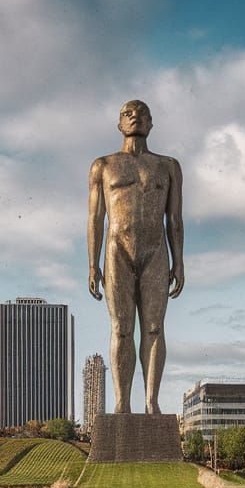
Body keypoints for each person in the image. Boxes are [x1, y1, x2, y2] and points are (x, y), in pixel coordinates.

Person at [88, 100, 184, 414]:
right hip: (117, 250)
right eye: (128, 114)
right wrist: (92, 263)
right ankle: (121, 403)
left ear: (151, 123)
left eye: (141, 113)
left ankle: (151, 401)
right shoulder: (103, 165)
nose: (135, 117)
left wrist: (179, 261)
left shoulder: (168, 165)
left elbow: (175, 219)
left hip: (156, 250)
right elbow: (95, 218)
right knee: (121, 328)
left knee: (155, 328)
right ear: (119, 124)